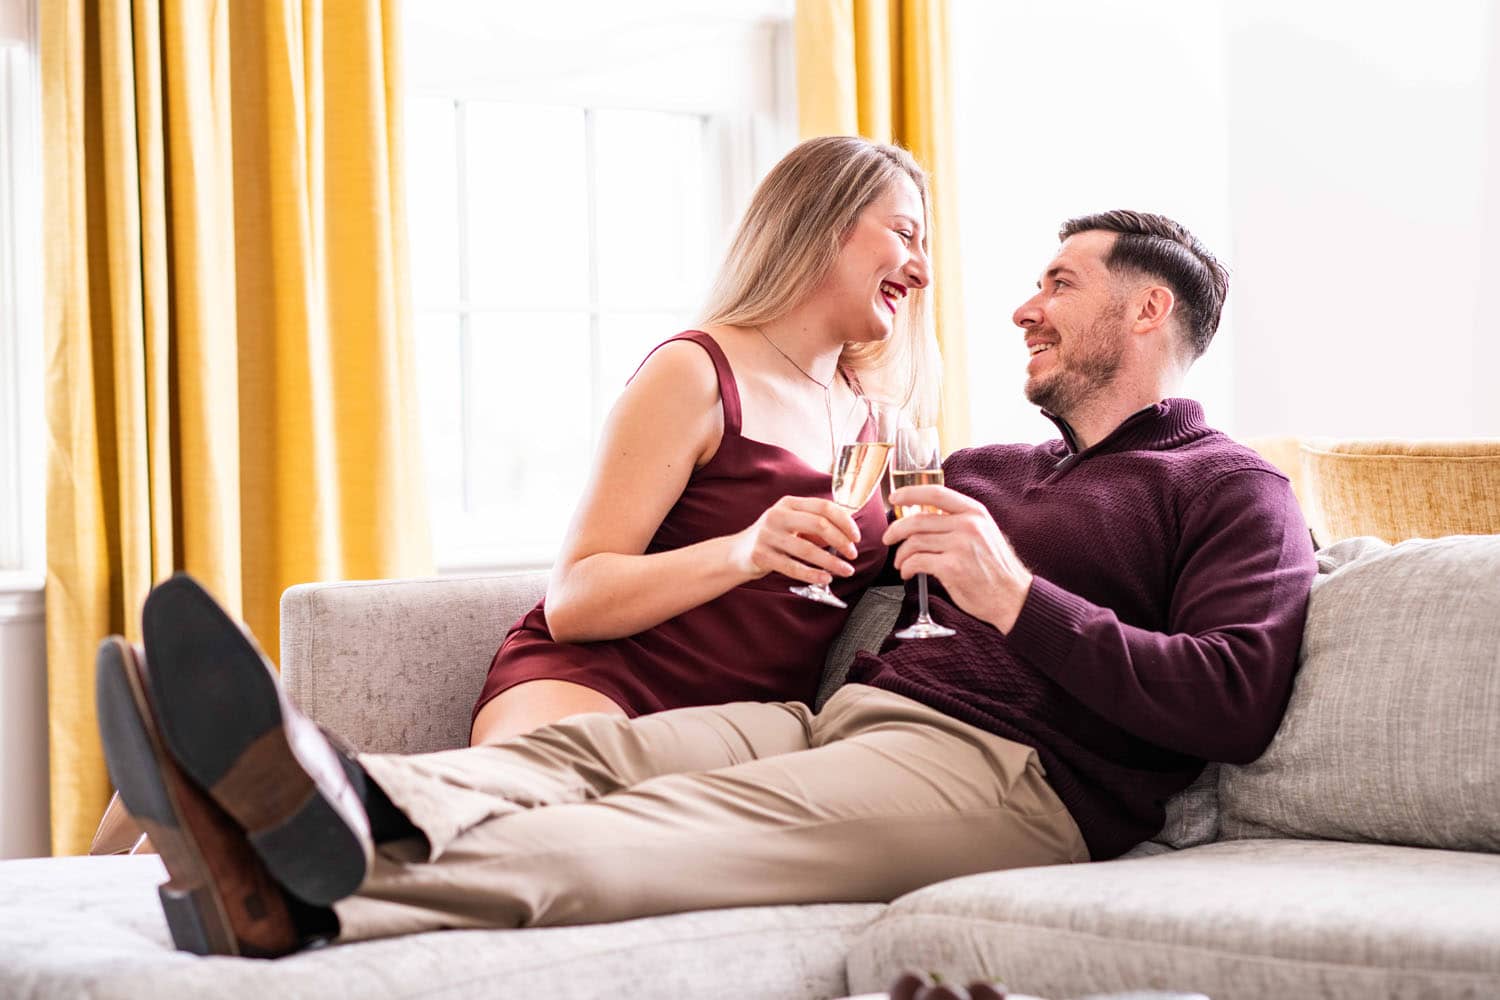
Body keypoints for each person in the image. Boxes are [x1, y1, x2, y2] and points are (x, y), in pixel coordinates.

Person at [96, 209, 1317, 958]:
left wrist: (1017, 600)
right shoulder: (993, 466)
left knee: (650, 834)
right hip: (839, 719)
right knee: (581, 760)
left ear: (1148, 310)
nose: (1019, 306)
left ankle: (294, 893)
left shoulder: (1225, 489)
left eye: (1060, 283)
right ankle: (283, 792)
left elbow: (1233, 699)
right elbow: (828, 547)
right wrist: (795, 530)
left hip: (1016, 778)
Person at [469, 135, 941, 744]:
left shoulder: (877, 422)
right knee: (554, 808)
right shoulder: (694, 371)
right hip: (601, 683)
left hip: (741, 727)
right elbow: (573, 604)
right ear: (821, 224)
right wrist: (744, 553)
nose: (924, 270)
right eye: (905, 235)